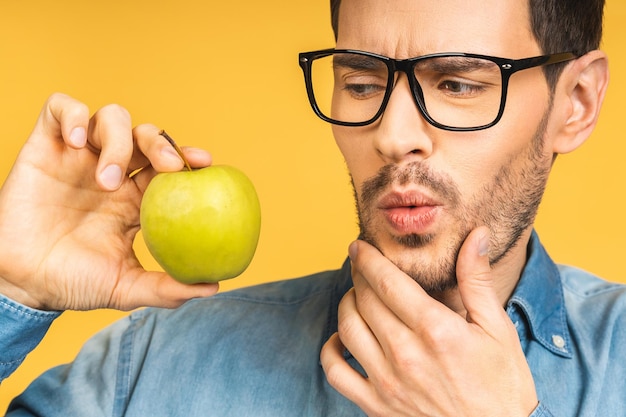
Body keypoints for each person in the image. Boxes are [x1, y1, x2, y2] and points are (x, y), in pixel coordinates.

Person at [0, 0, 623, 415]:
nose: (391, 131)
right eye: (360, 83)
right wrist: (13, 288)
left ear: (575, 102)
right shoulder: (149, 368)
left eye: (458, 84)